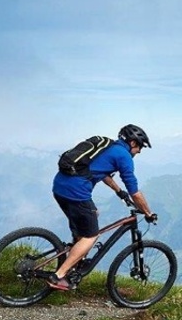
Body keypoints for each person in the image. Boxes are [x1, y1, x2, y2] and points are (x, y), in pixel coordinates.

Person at [48, 124, 158, 290]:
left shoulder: (110, 147)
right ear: (133, 143)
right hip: (76, 192)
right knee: (91, 236)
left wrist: (119, 191)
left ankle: (77, 255)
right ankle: (58, 276)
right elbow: (135, 193)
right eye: (140, 147)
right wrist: (148, 212)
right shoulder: (124, 156)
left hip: (60, 187)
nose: (140, 151)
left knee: (92, 214)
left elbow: (103, 173)